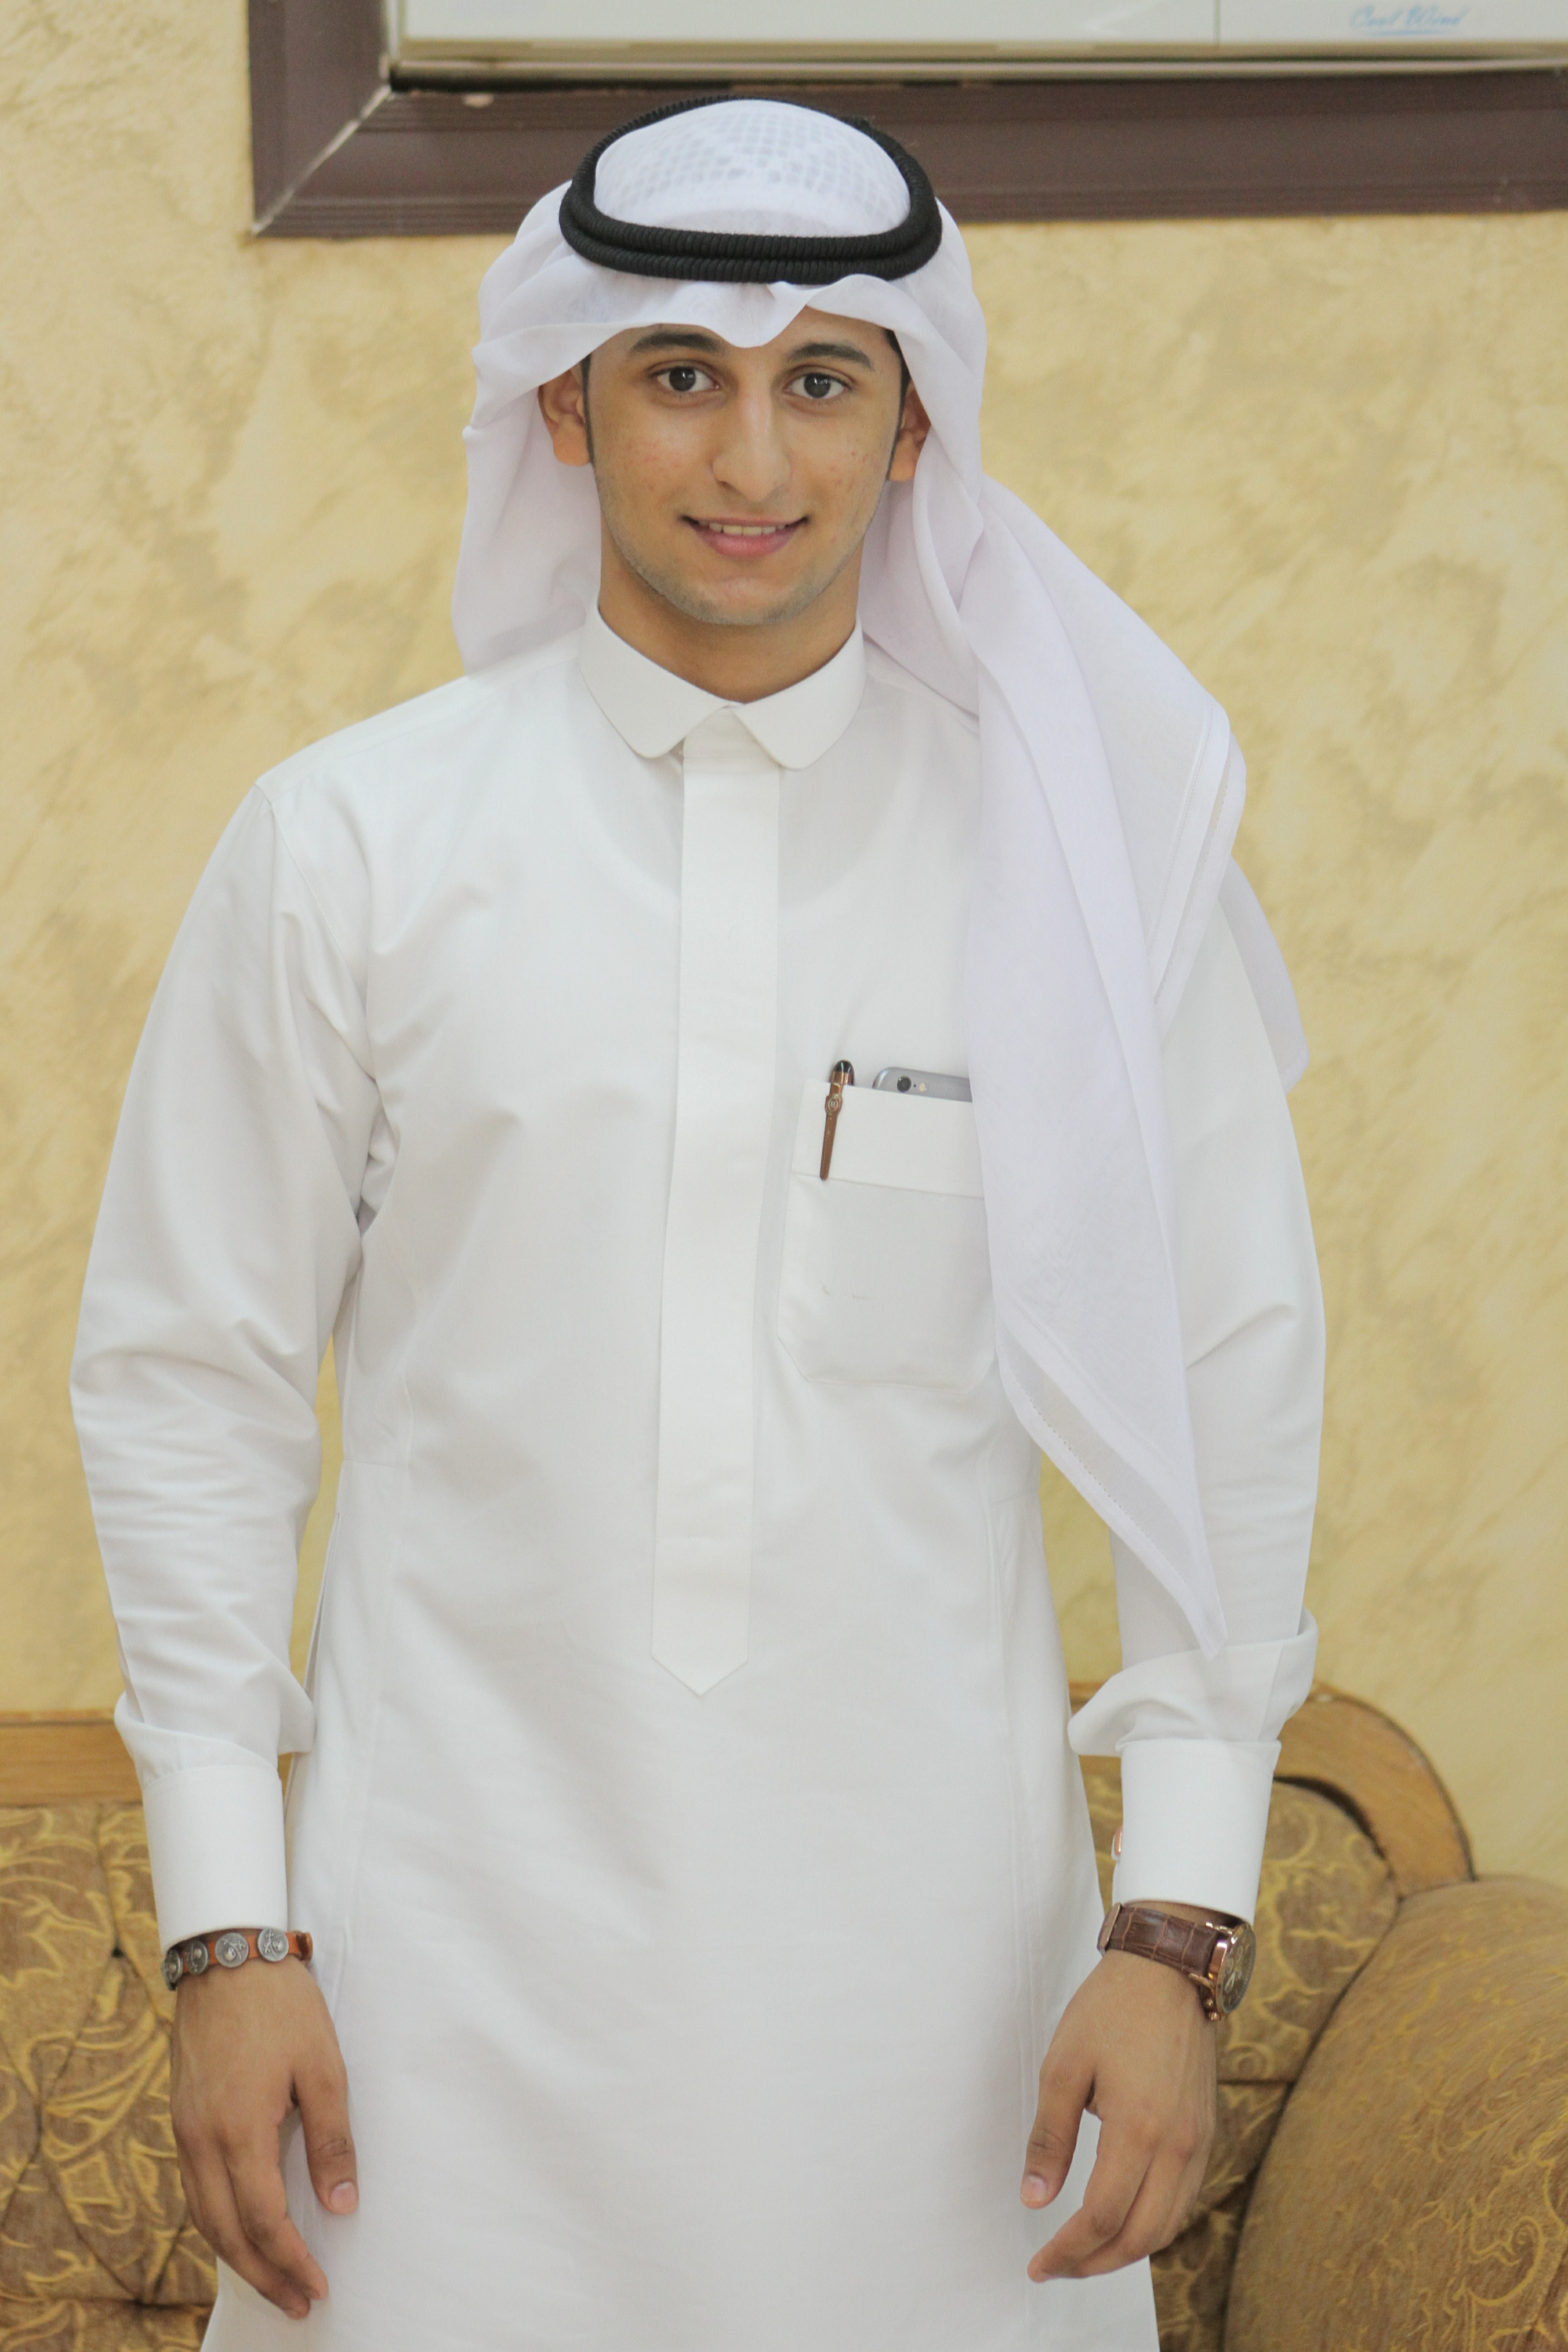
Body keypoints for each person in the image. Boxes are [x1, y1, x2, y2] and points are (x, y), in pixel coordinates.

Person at [72, 96, 1324, 2352]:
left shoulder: (1072, 873)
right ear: (565, 408)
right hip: (438, 2020)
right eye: (681, 375)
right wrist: (228, 1936)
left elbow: (1228, 1379)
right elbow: (190, 1386)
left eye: (821, 380)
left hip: (942, 2037)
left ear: (914, 428)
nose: (753, 458)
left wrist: (1176, 1935)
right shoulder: (352, 847)